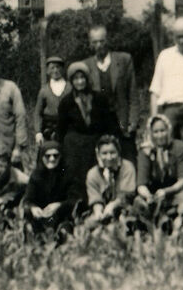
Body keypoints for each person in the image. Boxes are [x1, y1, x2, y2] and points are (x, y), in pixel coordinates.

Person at [56, 62, 120, 201]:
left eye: (82, 78)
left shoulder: (99, 98)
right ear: (71, 81)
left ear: (87, 79)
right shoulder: (66, 102)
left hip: (96, 140)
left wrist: (111, 139)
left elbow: (110, 121)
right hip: (75, 144)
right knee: (74, 172)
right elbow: (61, 128)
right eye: (76, 78)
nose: (80, 82)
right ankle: (77, 201)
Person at [82, 25, 140, 162]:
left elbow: (132, 93)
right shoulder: (86, 65)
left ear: (107, 41)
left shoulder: (124, 60)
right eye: (95, 42)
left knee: (127, 159)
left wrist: (133, 121)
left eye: (101, 41)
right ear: (90, 44)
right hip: (97, 123)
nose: (99, 45)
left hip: (121, 121)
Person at [134, 114, 183, 224]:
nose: (160, 135)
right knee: (138, 203)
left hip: (175, 192)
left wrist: (167, 191)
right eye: (156, 132)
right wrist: (148, 196)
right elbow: (141, 184)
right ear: (150, 133)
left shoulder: (180, 147)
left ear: (169, 130)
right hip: (154, 195)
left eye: (162, 130)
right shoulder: (145, 152)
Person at [24, 141, 77, 235]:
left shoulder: (68, 174)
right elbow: (28, 200)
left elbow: (74, 199)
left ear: (61, 156)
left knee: (64, 232)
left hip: (61, 217)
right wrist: (34, 208)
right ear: (41, 157)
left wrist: (59, 205)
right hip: (40, 217)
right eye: (47, 156)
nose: (52, 159)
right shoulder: (36, 175)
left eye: (55, 155)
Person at [85, 135, 137, 226]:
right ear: (98, 154)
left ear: (118, 153)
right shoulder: (93, 173)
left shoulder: (127, 167)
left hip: (124, 208)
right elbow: (95, 198)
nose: (109, 157)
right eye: (104, 153)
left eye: (112, 152)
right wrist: (98, 211)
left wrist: (112, 206)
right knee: (90, 224)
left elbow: (127, 194)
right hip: (104, 211)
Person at [34, 56, 71, 145]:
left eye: (58, 67)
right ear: (47, 71)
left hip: (68, 128)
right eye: (52, 68)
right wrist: (38, 132)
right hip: (49, 129)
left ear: (63, 69)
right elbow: (37, 113)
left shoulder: (70, 87)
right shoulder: (44, 90)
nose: (55, 70)